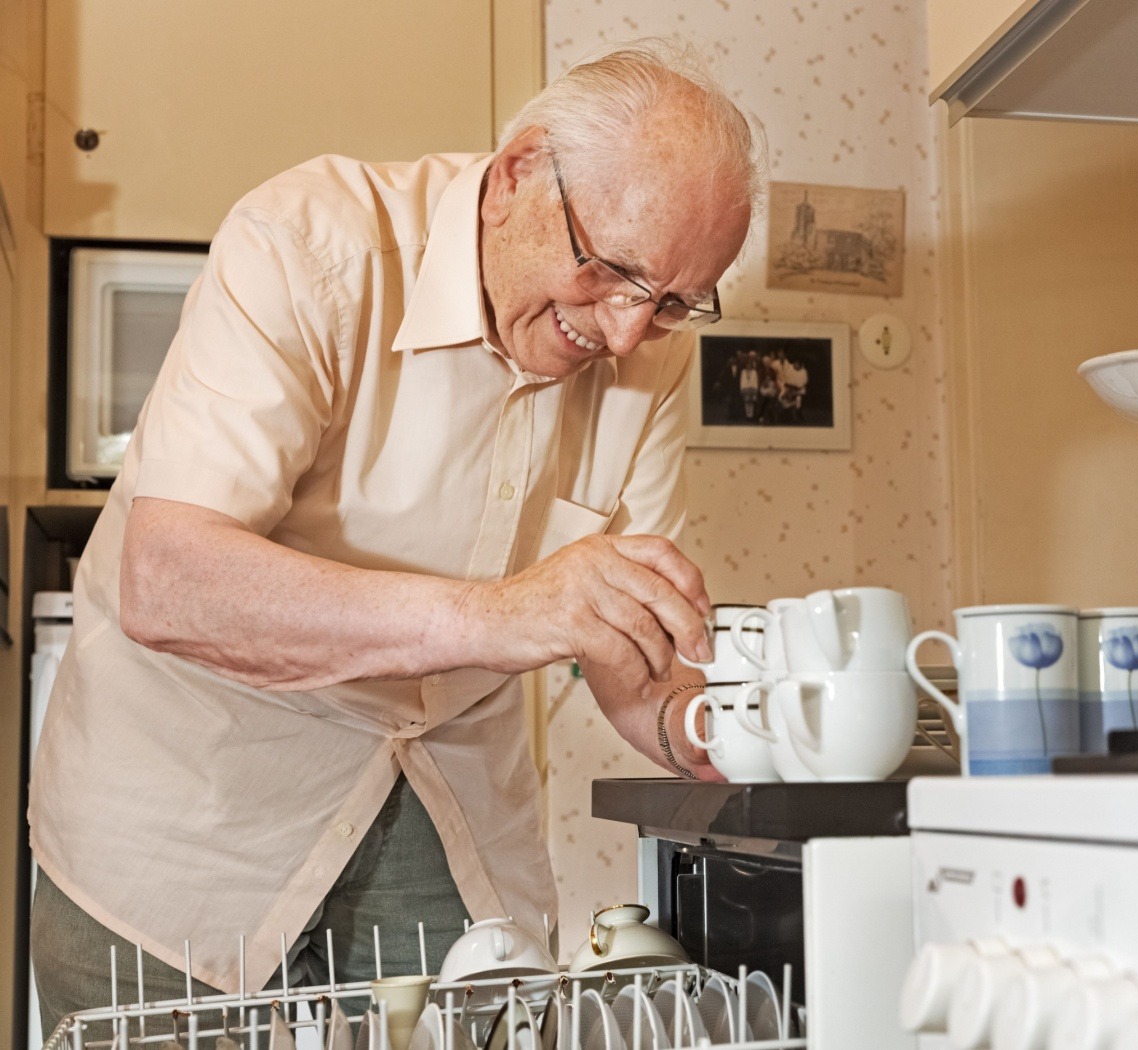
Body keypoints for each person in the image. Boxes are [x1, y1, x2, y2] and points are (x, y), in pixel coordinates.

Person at [29, 40, 762, 1031]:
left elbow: (633, 661)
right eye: (610, 271)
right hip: (182, 837)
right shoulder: (307, 242)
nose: (628, 333)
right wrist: (506, 615)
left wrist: (719, 730)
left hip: (446, 823)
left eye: (673, 302)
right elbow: (169, 582)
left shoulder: (646, 359)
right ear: (515, 177)